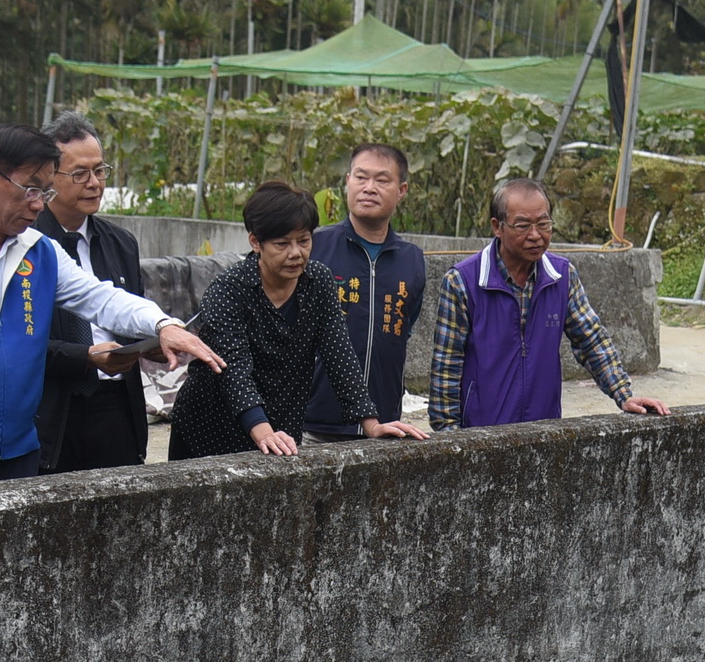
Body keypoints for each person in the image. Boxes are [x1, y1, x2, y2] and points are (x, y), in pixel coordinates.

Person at [0, 125, 220, 488]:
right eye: (30, 189)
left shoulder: (39, 250)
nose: (38, 203)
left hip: (18, 452)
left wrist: (163, 325)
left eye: (45, 191)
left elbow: (101, 297)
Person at [168, 181, 424, 460]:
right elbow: (234, 371)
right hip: (212, 427)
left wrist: (372, 425)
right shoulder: (228, 291)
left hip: (281, 428)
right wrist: (264, 433)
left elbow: (338, 354)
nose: (295, 253)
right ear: (256, 242)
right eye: (282, 243)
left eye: (303, 241)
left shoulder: (318, 281)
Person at [428, 178, 672, 431]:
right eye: (522, 225)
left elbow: (591, 340)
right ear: (497, 227)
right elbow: (446, 366)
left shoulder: (561, 276)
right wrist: (449, 435)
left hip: (544, 430)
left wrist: (624, 394)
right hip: (479, 432)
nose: (535, 235)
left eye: (543, 224)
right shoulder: (463, 282)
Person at [32, 113, 154, 472]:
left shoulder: (120, 244)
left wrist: (154, 341)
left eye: (100, 171)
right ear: (48, 177)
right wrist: (84, 355)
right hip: (52, 409)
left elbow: (130, 313)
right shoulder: (26, 246)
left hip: (116, 403)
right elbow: (20, 340)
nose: (94, 183)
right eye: (80, 173)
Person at [303, 143, 427, 443]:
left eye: (382, 180)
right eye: (361, 177)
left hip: (384, 423)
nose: (369, 188)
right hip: (312, 422)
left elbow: (404, 329)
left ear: (402, 190)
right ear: (348, 182)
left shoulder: (411, 259)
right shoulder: (315, 248)